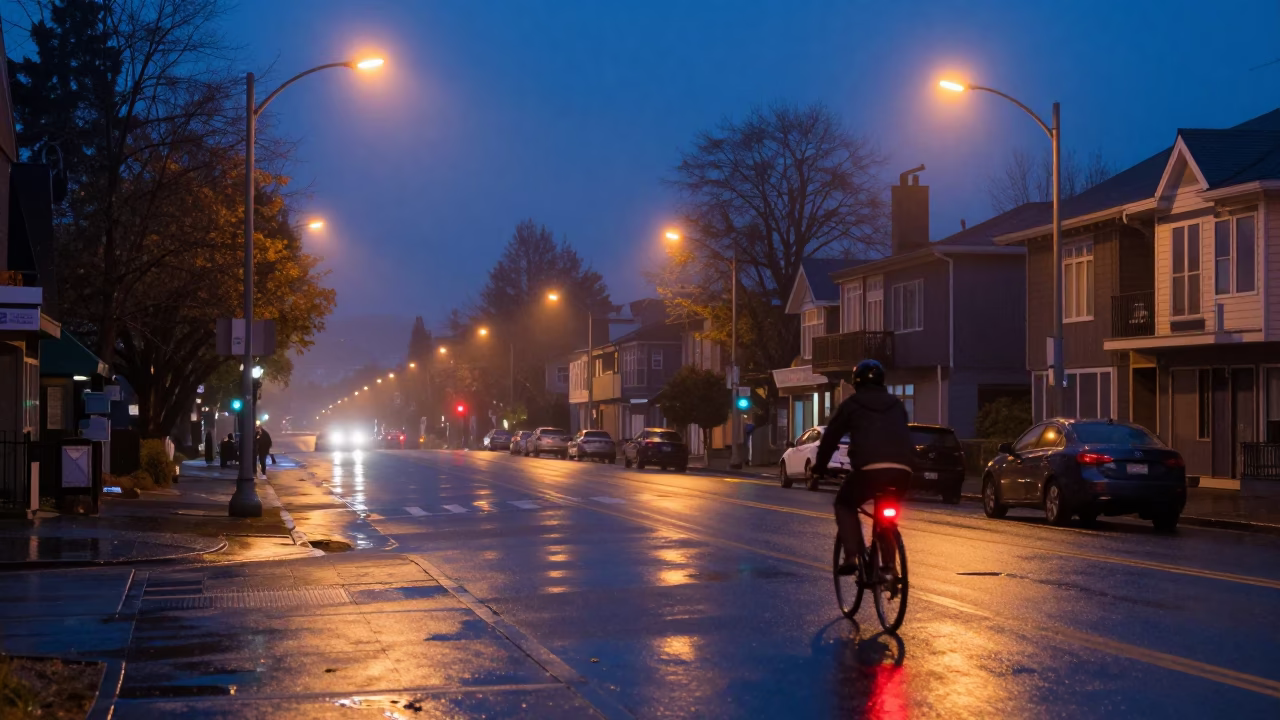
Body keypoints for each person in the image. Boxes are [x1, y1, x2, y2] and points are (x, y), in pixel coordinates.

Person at [812, 359, 913, 578]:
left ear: (856, 382)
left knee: (845, 504)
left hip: (869, 470)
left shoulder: (852, 405)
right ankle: (888, 566)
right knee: (887, 513)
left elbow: (831, 437)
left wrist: (820, 467)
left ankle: (851, 556)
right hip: (902, 471)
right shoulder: (897, 404)